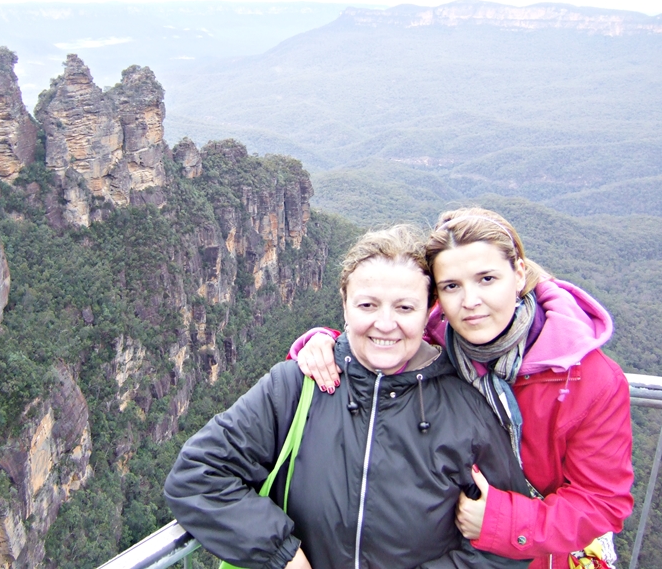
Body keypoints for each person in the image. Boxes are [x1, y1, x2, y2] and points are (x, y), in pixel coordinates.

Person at [165, 225, 532, 569]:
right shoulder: (296, 386)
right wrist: (281, 554)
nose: (385, 324)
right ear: (344, 305)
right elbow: (197, 474)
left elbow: (507, 546)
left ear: (428, 311)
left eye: (404, 307)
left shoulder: (468, 407)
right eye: (367, 305)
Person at [289, 208, 634, 569]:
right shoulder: (438, 339)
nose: (470, 301)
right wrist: (324, 344)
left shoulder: (587, 380)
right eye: (452, 286)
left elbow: (603, 502)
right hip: (446, 548)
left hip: (535, 555)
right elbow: (380, 341)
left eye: (487, 279)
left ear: (518, 274)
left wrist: (500, 521)